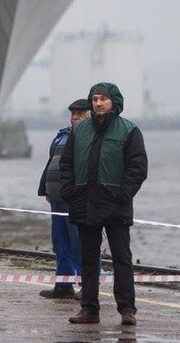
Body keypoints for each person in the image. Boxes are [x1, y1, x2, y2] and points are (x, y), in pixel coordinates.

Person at [60, 82, 147, 326]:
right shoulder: (80, 131)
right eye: (95, 99)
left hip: (116, 206)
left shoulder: (129, 130)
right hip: (84, 203)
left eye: (103, 99)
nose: (98, 103)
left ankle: (127, 310)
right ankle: (89, 309)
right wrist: (70, 192)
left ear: (114, 102)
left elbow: (137, 168)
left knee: (122, 259)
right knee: (88, 259)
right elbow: (66, 165)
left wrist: (122, 195)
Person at [37, 98, 91, 299]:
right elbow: (51, 163)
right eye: (73, 114)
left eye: (80, 114)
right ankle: (63, 284)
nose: (75, 117)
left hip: (76, 199)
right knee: (60, 241)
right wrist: (44, 189)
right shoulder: (61, 136)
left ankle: (88, 285)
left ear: (89, 116)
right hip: (57, 198)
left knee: (81, 241)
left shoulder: (91, 137)